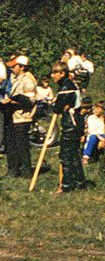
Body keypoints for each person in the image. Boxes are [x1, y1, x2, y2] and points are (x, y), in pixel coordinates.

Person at [51, 63, 87, 193]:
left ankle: (66, 185)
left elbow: (57, 108)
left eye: (55, 73)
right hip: (76, 123)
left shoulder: (66, 87)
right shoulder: (70, 85)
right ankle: (80, 182)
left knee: (66, 155)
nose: (52, 75)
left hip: (71, 124)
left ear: (62, 73)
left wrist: (58, 104)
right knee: (74, 154)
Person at [3, 56, 37, 178]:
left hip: (22, 117)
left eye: (14, 66)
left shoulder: (28, 80)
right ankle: (13, 169)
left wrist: (14, 101)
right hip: (11, 116)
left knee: (22, 145)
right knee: (11, 144)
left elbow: (31, 100)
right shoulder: (12, 79)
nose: (12, 69)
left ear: (22, 67)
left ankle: (26, 171)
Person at [83, 100, 105, 165]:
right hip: (95, 135)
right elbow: (91, 131)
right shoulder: (91, 118)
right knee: (93, 137)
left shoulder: (103, 119)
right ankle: (86, 157)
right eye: (95, 108)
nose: (95, 110)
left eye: (98, 108)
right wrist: (100, 138)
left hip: (103, 135)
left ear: (103, 110)